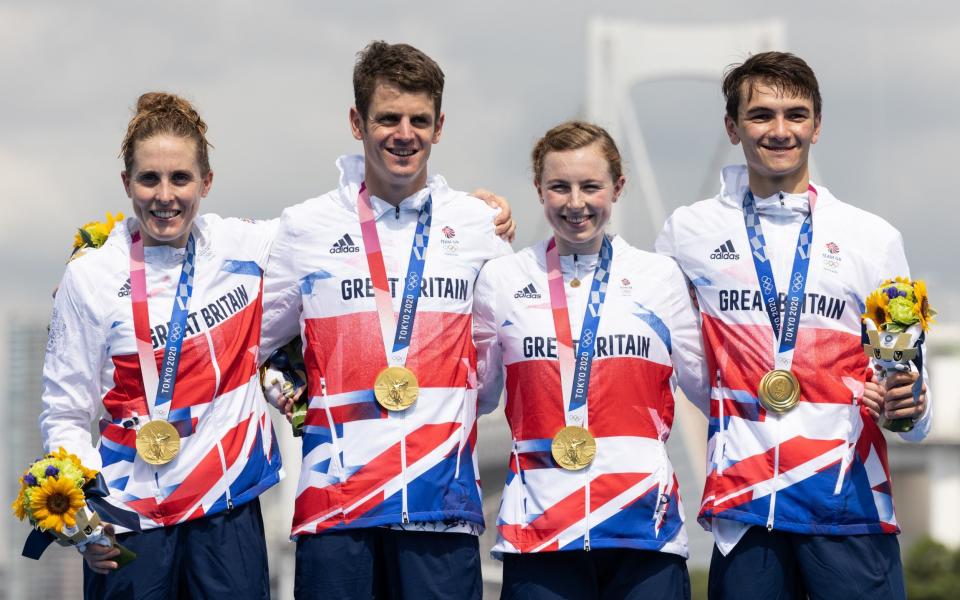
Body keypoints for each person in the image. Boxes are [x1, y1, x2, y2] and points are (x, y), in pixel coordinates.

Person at [654, 51, 932, 599]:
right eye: (761, 116)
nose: (780, 131)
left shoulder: (870, 238)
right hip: (747, 509)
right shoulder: (688, 232)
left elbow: (906, 384)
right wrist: (490, 219)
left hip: (849, 505)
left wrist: (912, 405)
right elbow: (633, 312)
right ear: (732, 128)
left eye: (796, 115)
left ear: (817, 126)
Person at [260, 41, 513, 599]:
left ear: (439, 126)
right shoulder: (304, 227)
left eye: (419, 120)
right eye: (388, 118)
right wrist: (107, 259)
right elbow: (249, 340)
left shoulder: (476, 225)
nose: (404, 133)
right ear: (357, 122)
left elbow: (508, 350)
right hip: (336, 506)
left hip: (441, 505)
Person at [40, 92, 282, 598]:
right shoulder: (91, 277)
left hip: (226, 509)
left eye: (181, 178)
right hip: (127, 522)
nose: (164, 195)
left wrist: (476, 208)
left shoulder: (243, 247)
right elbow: (65, 411)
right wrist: (82, 523)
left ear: (207, 182)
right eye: (149, 179)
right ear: (127, 183)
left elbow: (340, 228)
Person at [473, 121, 709, 599]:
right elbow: (475, 393)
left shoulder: (660, 277)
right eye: (559, 187)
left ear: (617, 188)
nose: (575, 203)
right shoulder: (501, 278)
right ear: (539, 190)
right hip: (538, 532)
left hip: (644, 528)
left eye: (591, 186)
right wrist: (455, 223)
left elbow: (711, 388)